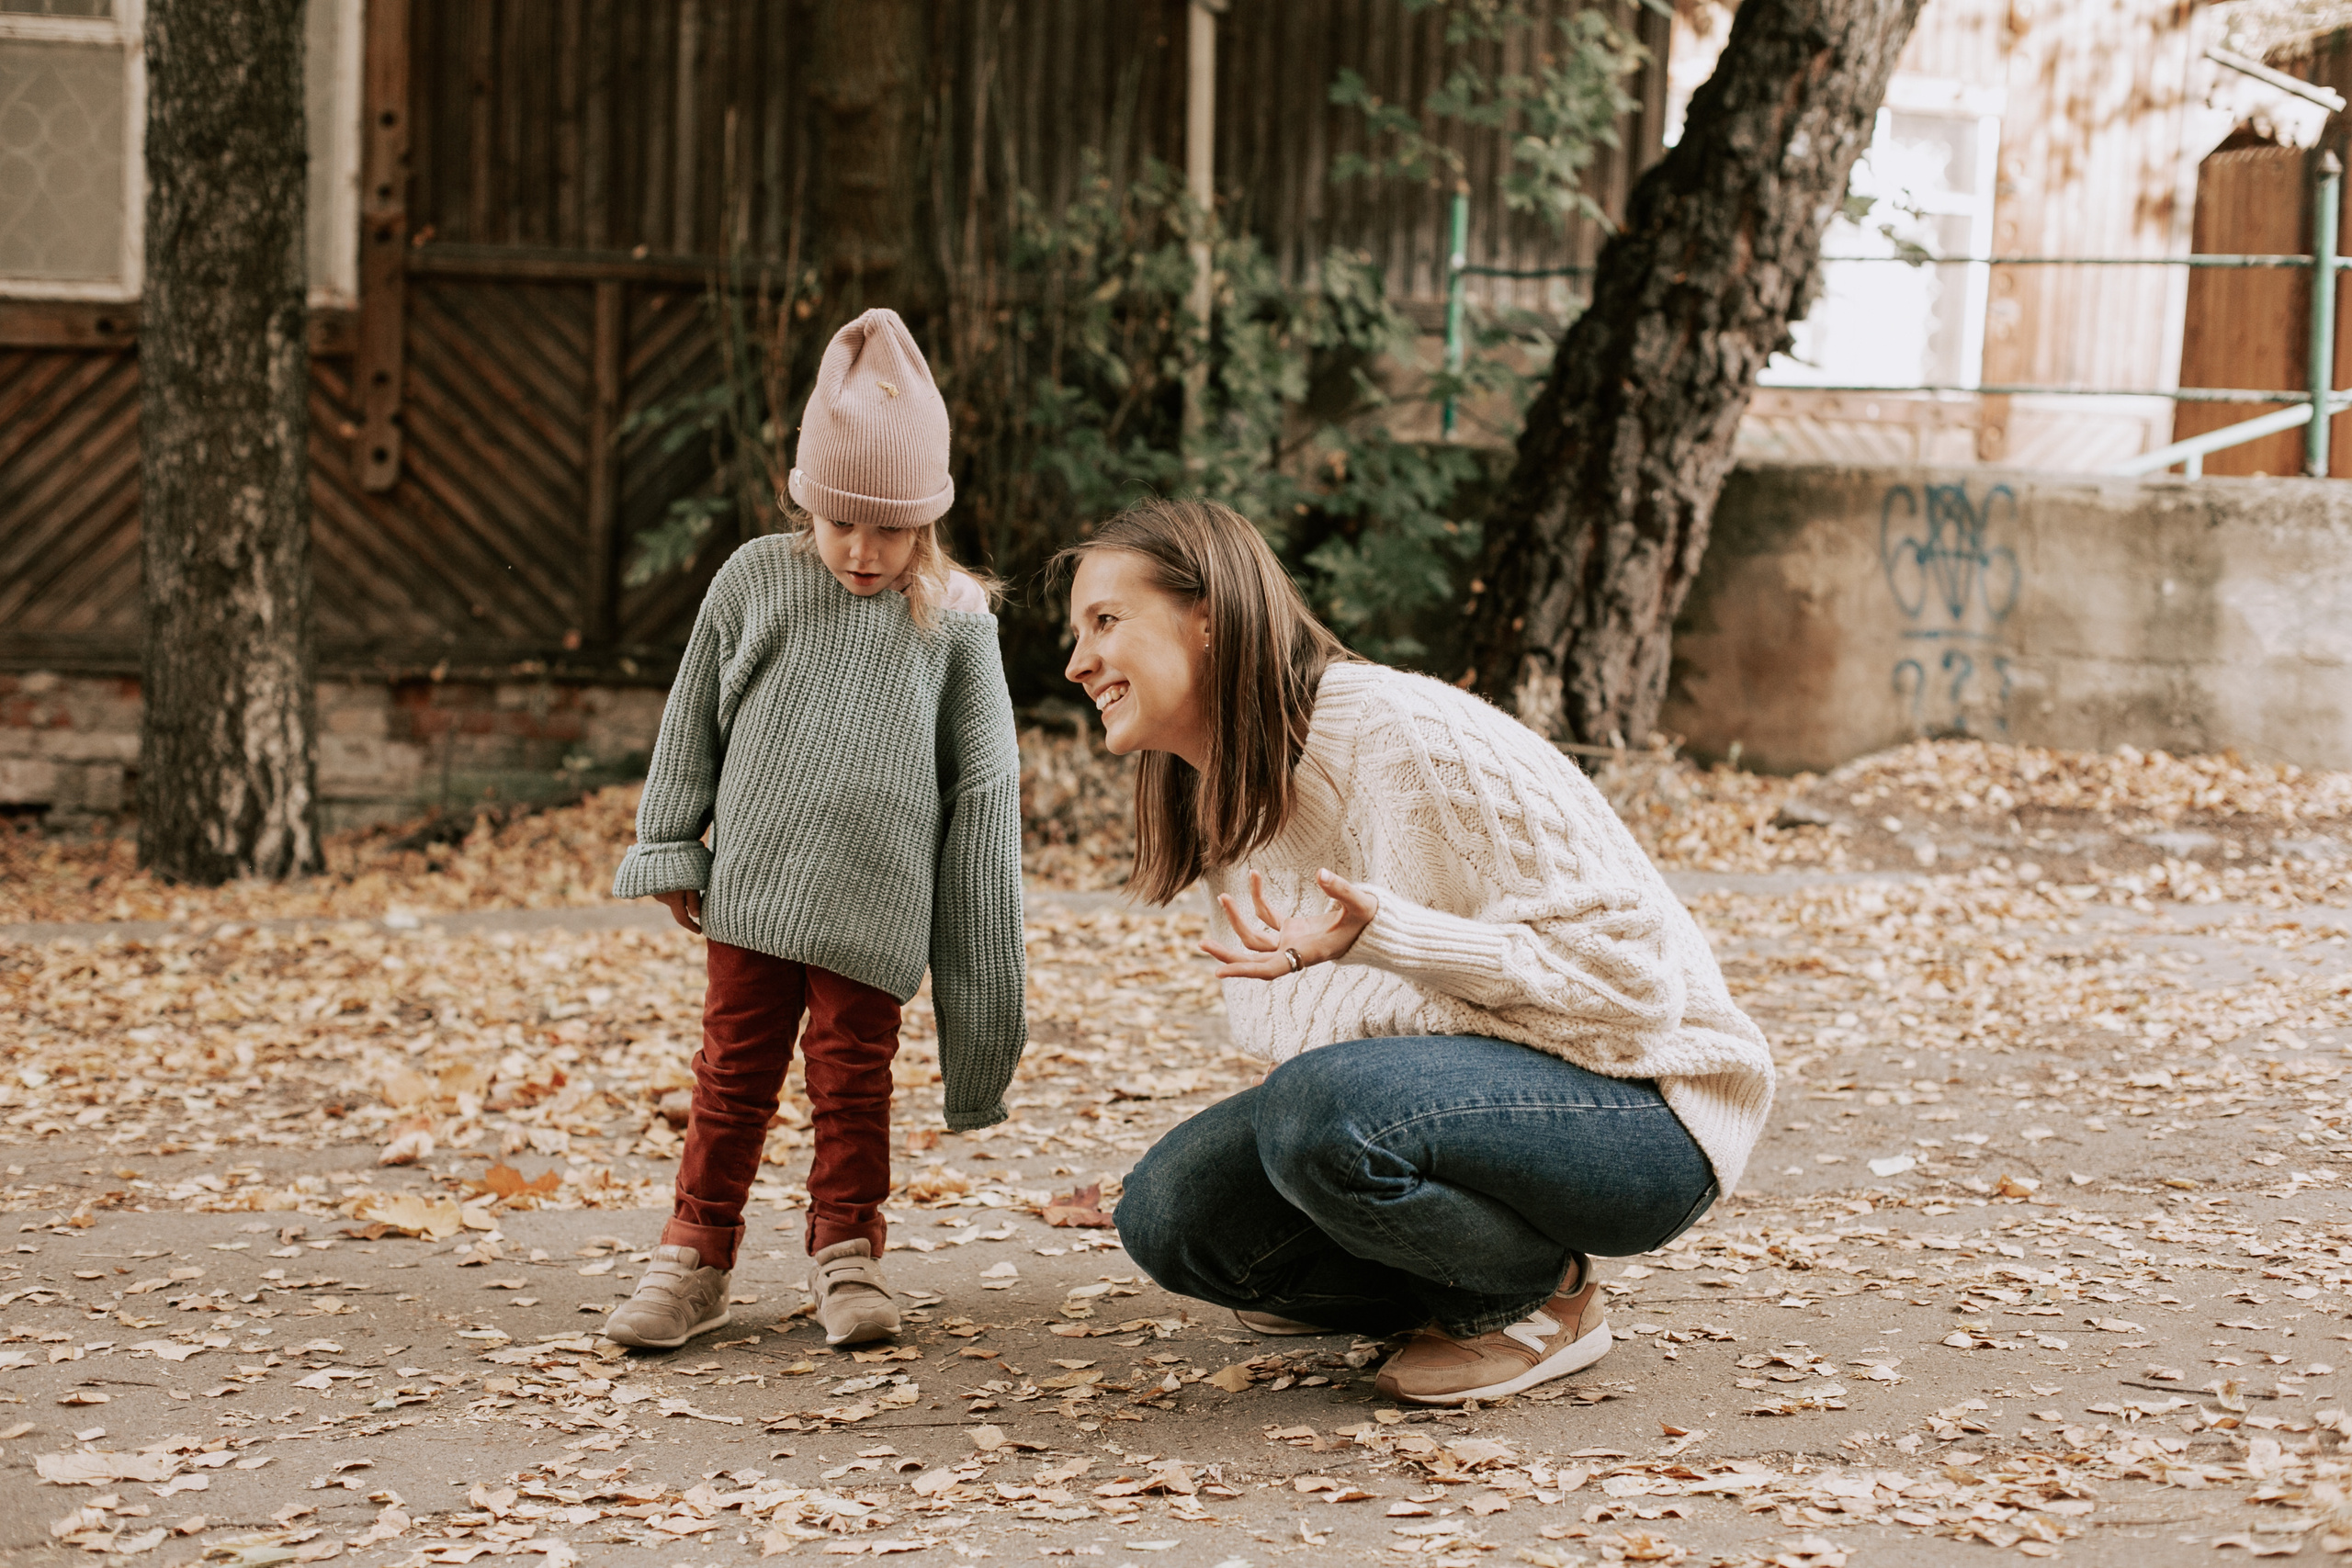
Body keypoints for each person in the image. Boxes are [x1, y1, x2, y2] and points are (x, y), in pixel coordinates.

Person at [1059, 497, 1773, 1405]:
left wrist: (1398, 938)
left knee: (1315, 1110)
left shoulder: (1402, 735)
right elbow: (1328, 1055)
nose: (1077, 662)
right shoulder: (1230, 800)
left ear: (1207, 617)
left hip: (1650, 1108)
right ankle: (1438, 1284)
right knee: (1171, 1213)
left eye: (1105, 621)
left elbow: (1634, 989)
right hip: (1488, 1105)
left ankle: (1536, 1300)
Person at [604, 308, 1025, 1351]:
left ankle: (848, 1252)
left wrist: (980, 971)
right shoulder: (756, 580)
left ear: (925, 518)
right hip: (753, 885)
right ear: (807, 501)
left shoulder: (956, 620)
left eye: (888, 528)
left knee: (852, 1082)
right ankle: (695, 1255)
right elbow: (692, 719)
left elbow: (985, 788)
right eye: (840, 521)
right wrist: (671, 840)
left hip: (878, 905)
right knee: (731, 1074)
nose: (862, 549)